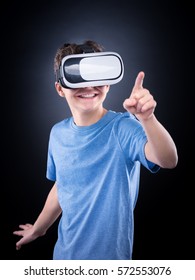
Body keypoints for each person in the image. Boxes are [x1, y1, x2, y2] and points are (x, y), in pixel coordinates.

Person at [13, 40, 178, 260]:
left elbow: (168, 159)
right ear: (60, 89)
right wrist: (39, 228)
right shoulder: (57, 134)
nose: (89, 86)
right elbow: (64, 185)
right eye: (77, 78)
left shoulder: (123, 128)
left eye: (96, 78)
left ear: (108, 84)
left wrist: (147, 119)